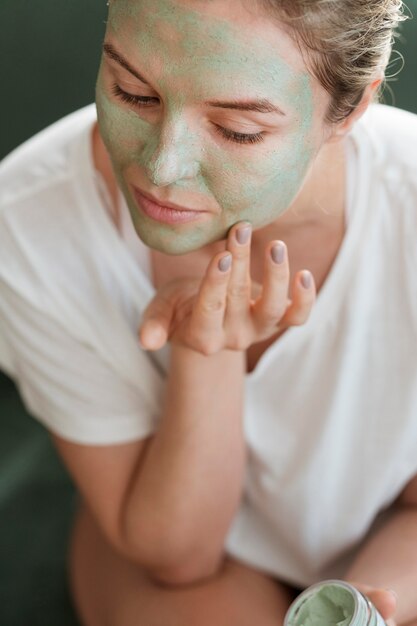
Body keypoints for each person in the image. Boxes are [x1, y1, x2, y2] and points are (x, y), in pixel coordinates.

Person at [0, 0, 416, 624]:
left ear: (351, 108)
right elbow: (179, 557)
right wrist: (207, 349)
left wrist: (360, 611)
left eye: (238, 131)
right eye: (132, 92)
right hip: (171, 564)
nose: (160, 169)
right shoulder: (29, 225)